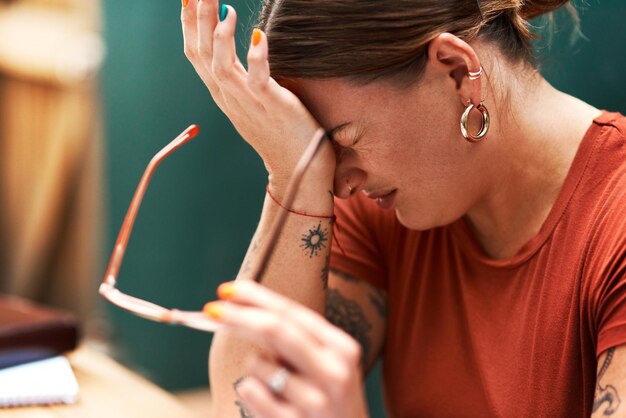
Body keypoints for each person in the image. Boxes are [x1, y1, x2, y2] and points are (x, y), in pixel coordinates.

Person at [180, 0, 626, 416]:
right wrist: (292, 175)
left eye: (345, 142)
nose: (337, 183)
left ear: (456, 72)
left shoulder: (614, 220)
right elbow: (244, 404)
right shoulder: (387, 202)